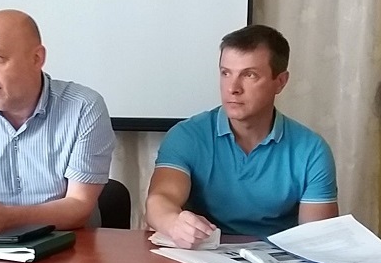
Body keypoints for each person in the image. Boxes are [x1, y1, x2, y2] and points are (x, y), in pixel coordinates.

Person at [145, 24, 338, 248]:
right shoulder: (187, 136)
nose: (233, 88)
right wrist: (173, 223)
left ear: (280, 82)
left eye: (249, 75)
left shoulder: (312, 150)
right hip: (203, 255)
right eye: (225, 73)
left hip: (275, 261)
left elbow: (317, 241)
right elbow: (160, 199)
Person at [0, 9, 116, 242]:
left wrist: (7, 218)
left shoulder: (84, 107)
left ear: (37, 58)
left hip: (67, 244)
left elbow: (79, 206)